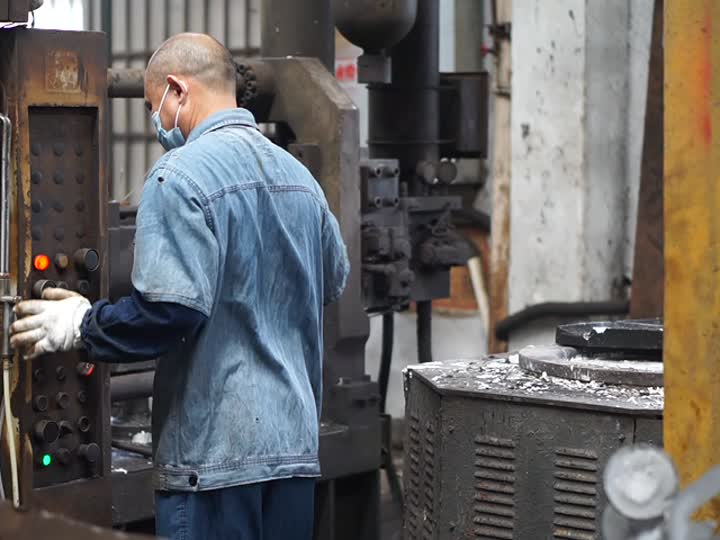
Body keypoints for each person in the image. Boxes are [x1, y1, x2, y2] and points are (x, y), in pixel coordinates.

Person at [9, 33, 349, 540]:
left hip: (211, 466)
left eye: (153, 106)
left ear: (177, 90)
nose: (157, 121)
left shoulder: (179, 176)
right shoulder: (300, 179)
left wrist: (81, 323)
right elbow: (333, 280)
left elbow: (169, 314)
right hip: (292, 457)